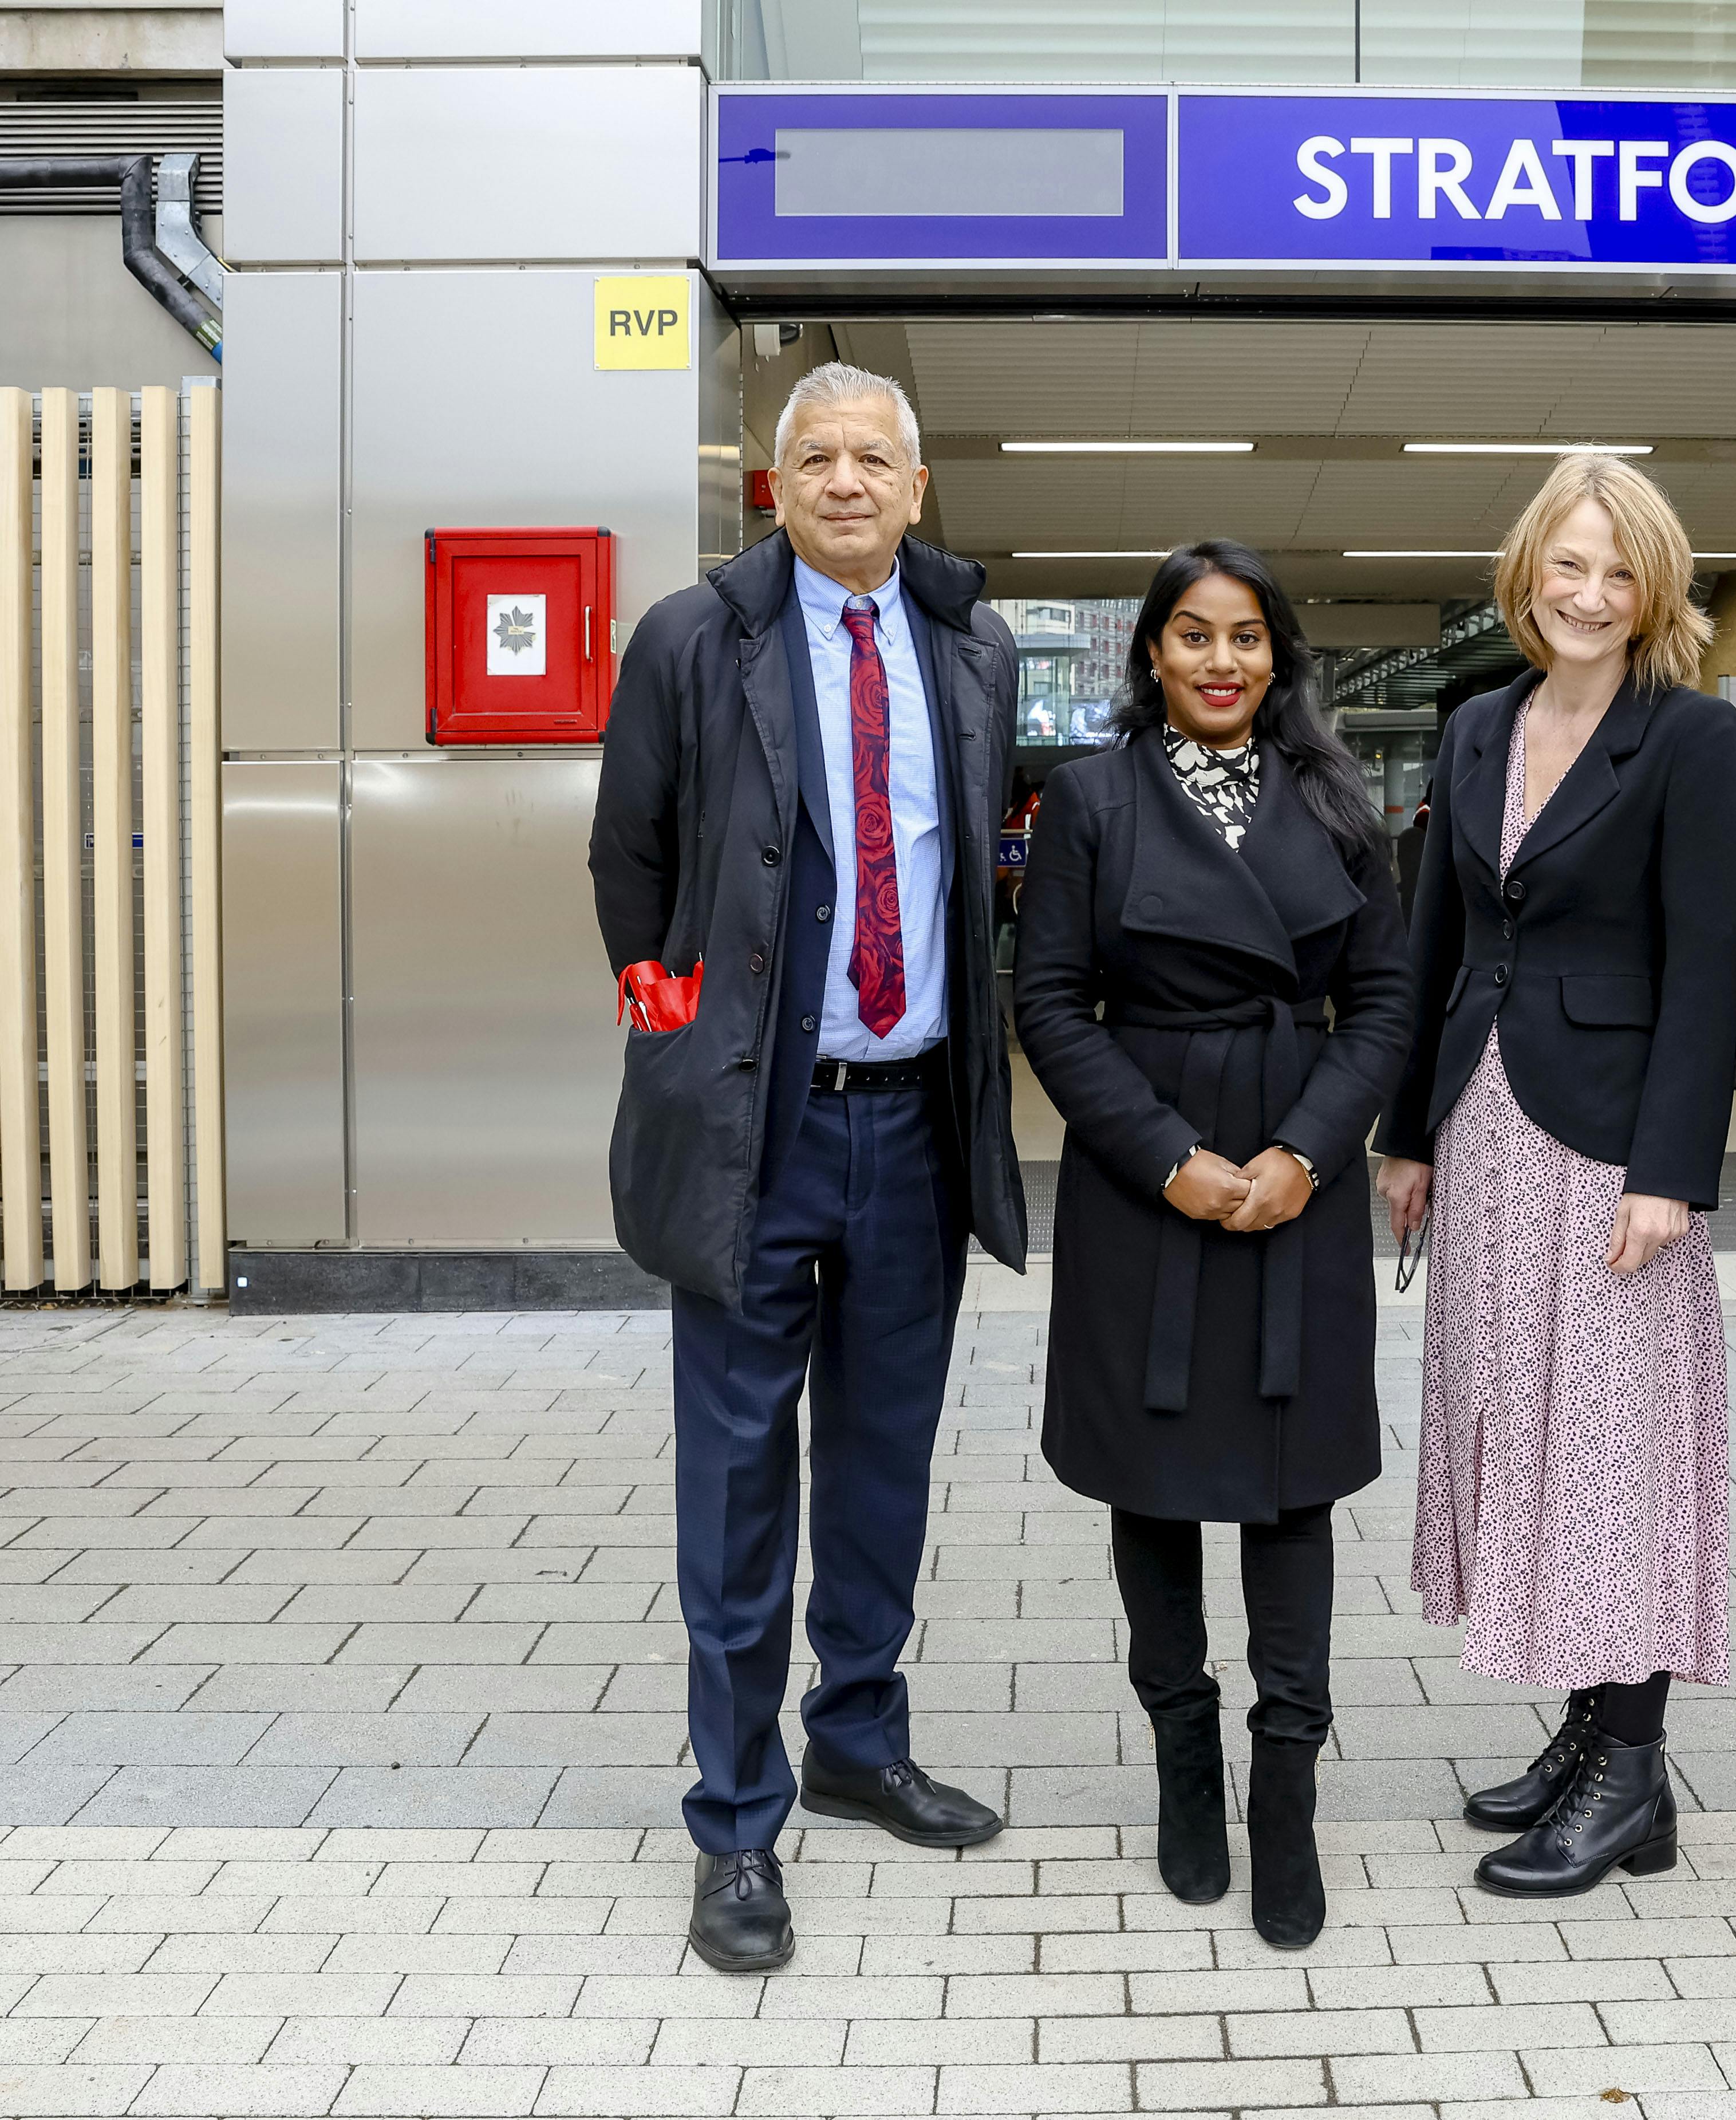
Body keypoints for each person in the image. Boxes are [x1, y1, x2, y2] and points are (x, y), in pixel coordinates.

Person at [589, 361, 1028, 1973]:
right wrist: (675, 1024)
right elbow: (628, 852)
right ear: (774, 488)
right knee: (736, 1478)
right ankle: (734, 1815)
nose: (847, 480)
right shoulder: (695, 638)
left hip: (911, 1121)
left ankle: (858, 1733)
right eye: (816, 457)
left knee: (883, 1461)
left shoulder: (967, 645)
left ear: (918, 489)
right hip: (756, 1133)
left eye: (875, 457)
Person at [1011, 541, 1414, 1951]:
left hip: (1290, 1164)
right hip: (1148, 1172)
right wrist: (1163, 1157)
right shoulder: (1090, 799)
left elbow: (1382, 1002)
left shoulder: (1339, 801)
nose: (1222, 662)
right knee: (1154, 1476)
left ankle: (1285, 1792)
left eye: (1246, 638)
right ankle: (1186, 1760)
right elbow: (1050, 1003)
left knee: (1291, 1484)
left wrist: (1307, 1152)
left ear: (1278, 657)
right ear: (1151, 656)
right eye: (1193, 638)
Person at [1373, 454, 1736, 1898]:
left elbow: (1705, 959)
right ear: (1527, 573)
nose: (1588, 594)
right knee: (1523, 1425)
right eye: (1566, 565)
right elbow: (1434, 943)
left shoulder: (1690, 736)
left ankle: (1631, 1772)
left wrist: (1673, 1171)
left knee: (1611, 1444)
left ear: (1651, 590)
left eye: (1617, 570)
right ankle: (1589, 1731)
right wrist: (1405, 1130)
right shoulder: (1479, 723)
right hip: (1481, 1123)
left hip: (1608, 1148)